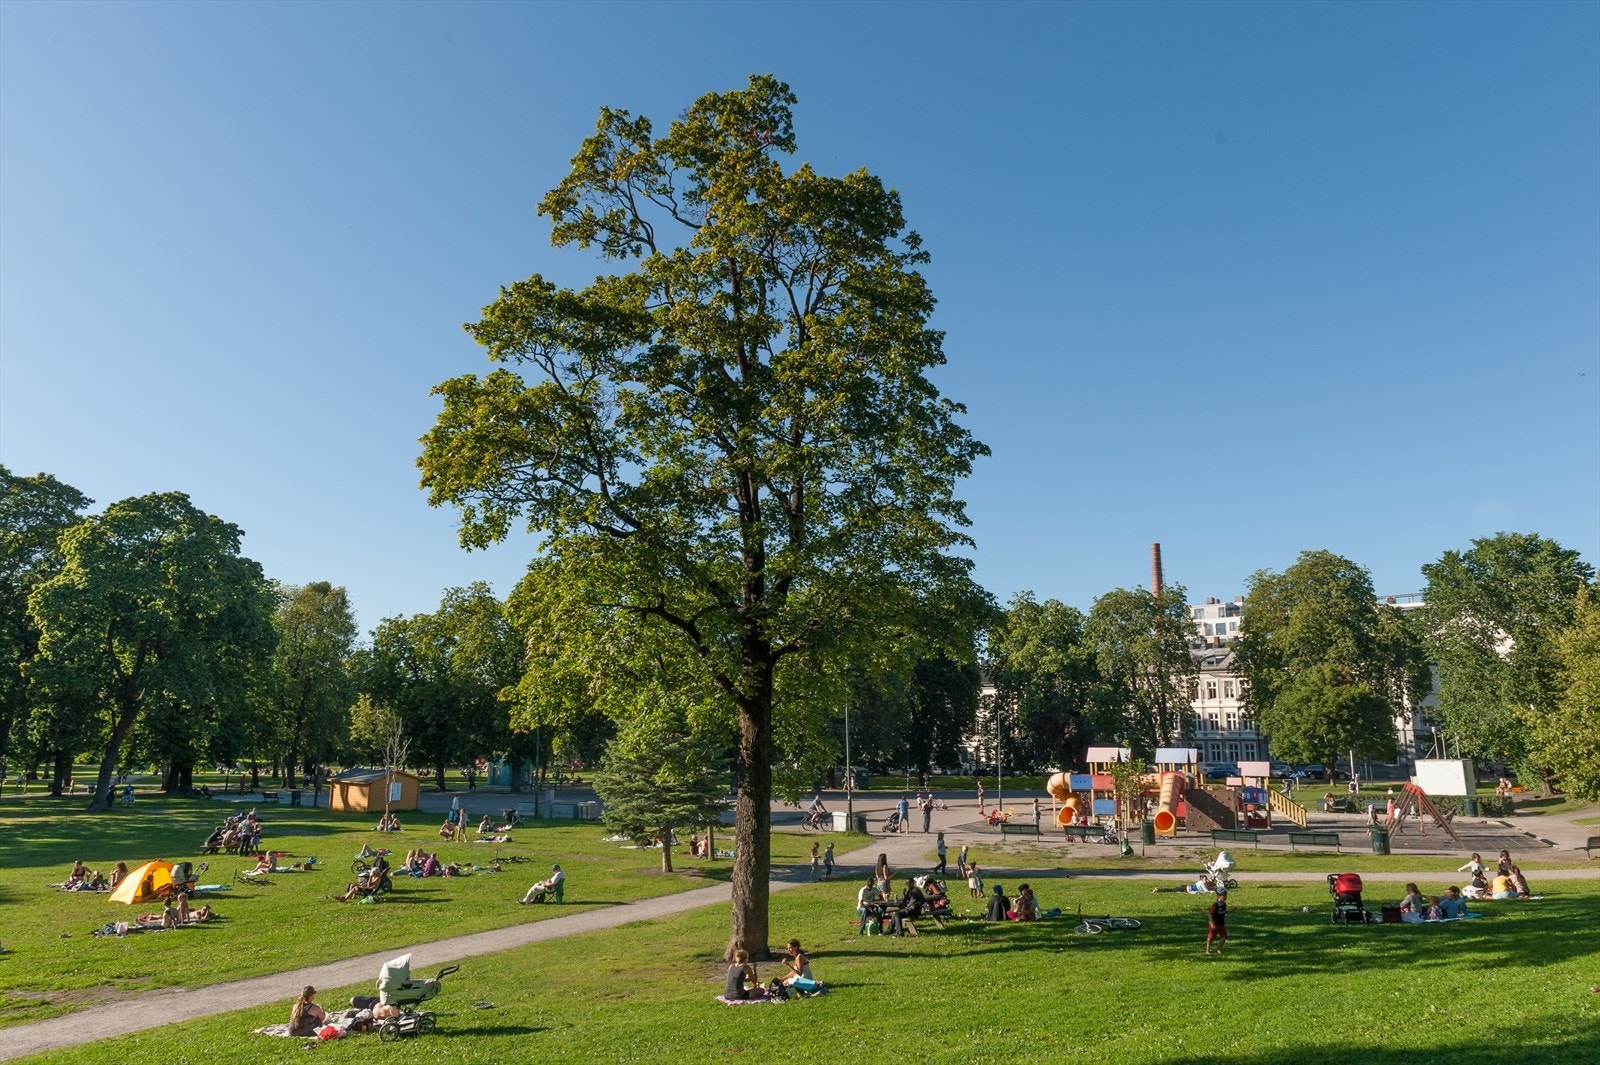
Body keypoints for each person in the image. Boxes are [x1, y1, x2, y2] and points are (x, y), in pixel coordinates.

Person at [1206, 889, 1228, 954]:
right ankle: (1207, 950)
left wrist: (1231, 911)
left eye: (1226, 895)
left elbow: (1223, 912)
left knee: (1224, 937)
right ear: (1218, 896)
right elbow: (1210, 914)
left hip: (1221, 924)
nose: (1225, 896)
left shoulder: (1224, 904)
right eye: (1224, 895)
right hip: (1214, 924)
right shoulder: (1215, 905)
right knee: (1211, 937)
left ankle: (1218, 948)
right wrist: (1212, 923)